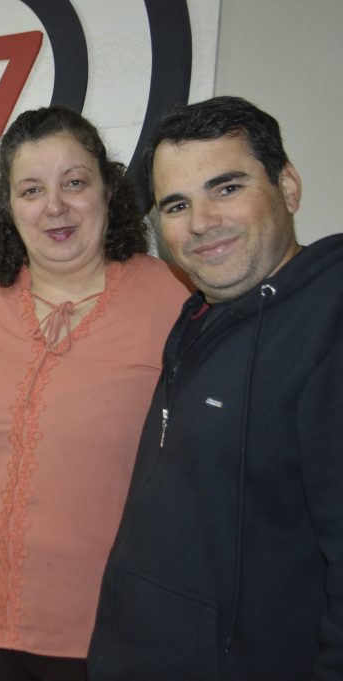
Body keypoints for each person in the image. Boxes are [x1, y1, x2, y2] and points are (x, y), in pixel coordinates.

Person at [0, 106, 189, 680]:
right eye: (31, 189)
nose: (55, 207)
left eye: (74, 183)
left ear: (108, 193)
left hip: (105, 631)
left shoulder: (171, 298)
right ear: (10, 209)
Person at [87, 96, 343, 680]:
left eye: (226, 188)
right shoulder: (199, 319)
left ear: (289, 188)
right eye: (178, 204)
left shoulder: (330, 324)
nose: (201, 222)